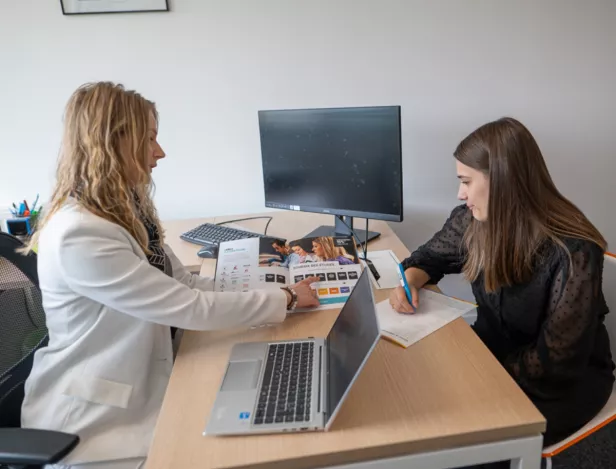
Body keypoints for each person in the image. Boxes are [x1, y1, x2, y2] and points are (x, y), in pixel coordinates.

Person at [20, 82, 320, 469]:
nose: (159, 153)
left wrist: (276, 284)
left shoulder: (122, 208)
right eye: (149, 139)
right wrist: (287, 299)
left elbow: (187, 284)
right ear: (112, 143)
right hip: (94, 425)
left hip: (145, 379)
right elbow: (187, 307)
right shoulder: (81, 233)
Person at [390, 117, 614, 459]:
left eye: (466, 181)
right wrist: (411, 281)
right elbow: (429, 258)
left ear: (503, 181)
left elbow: (555, 364)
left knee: (453, 445)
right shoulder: (474, 220)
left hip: (560, 385)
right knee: (415, 400)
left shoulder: (574, 251)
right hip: (492, 356)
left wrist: (472, 376)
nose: (460, 193)